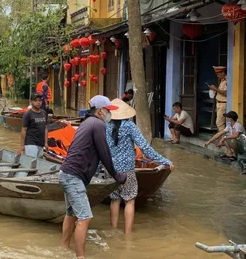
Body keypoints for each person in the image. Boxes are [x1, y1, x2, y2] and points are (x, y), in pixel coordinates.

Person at [59, 95, 126, 259]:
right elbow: (105, 154)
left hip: (66, 174)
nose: (110, 114)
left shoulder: (87, 122)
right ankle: (80, 257)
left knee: (71, 214)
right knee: (85, 217)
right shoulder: (97, 124)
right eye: (109, 111)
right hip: (73, 176)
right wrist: (117, 175)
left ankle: (64, 249)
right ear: (101, 111)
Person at [106, 98, 173, 234]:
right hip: (127, 171)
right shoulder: (129, 126)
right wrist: (164, 161)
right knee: (129, 200)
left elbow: (101, 149)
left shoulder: (106, 126)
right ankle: (128, 236)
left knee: (114, 200)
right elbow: (145, 148)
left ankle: (113, 232)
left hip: (110, 170)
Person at [18, 93, 48, 158]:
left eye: (40, 100)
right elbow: (24, 130)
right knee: (32, 163)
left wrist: (46, 143)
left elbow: (45, 128)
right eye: (36, 100)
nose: (38, 102)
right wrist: (22, 146)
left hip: (41, 143)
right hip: (31, 143)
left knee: (39, 163)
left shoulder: (44, 113)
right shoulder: (28, 114)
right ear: (31, 102)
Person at [209, 66, 228, 132]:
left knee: (219, 123)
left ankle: (223, 140)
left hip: (223, 103)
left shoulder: (227, 80)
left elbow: (226, 93)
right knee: (219, 123)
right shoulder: (222, 81)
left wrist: (215, 89)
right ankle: (221, 139)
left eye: (218, 74)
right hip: (219, 103)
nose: (217, 76)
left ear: (223, 73)